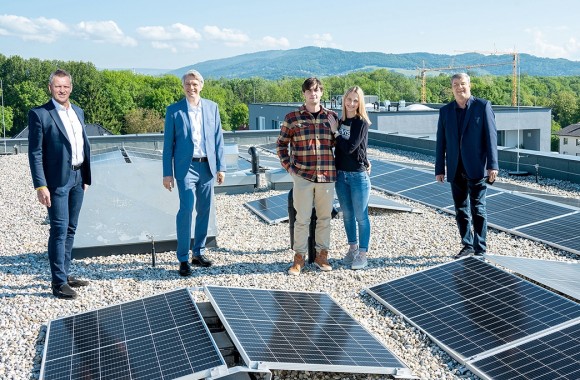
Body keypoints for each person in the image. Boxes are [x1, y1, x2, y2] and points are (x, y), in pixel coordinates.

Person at [28, 69, 92, 300]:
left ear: (71, 88)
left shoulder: (78, 112)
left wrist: (85, 176)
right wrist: (40, 186)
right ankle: (58, 283)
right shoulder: (40, 115)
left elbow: (82, 146)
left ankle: (65, 273)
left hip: (77, 179)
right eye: (57, 86)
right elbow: (34, 153)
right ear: (50, 88)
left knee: (71, 229)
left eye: (65, 86)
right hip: (56, 183)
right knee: (59, 230)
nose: (62, 90)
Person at [162, 69, 225, 276]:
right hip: (185, 167)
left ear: (201, 85)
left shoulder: (212, 108)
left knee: (205, 210)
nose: (191, 87)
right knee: (186, 209)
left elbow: (218, 140)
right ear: (183, 86)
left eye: (195, 84)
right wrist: (167, 173)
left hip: (207, 166)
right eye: (188, 84)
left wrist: (221, 167)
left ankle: (198, 252)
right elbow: (168, 145)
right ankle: (183, 258)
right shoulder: (174, 110)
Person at [277, 77, 338, 275]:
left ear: (321, 93)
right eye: (309, 90)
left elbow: (341, 145)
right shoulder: (292, 117)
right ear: (304, 93)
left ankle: (322, 256)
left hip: (326, 176)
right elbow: (281, 144)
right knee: (302, 219)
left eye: (317, 90)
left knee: (324, 219)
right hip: (302, 176)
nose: (313, 94)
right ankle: (299, 258)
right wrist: (289, 167)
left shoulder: (331, 117)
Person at [435, 73, 499, 259]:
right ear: (452, 87)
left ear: (469, 85)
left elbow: (491, 138)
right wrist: (440, 168)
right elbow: (441, 143)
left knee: (478, 209)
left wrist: (492, 165)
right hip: (455, 168)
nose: (459, 87)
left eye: (462, 84)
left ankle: (480, 248)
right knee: (460, 210)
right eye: (455, 84)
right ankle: (467, 245)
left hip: (476, 167)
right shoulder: (445, 111)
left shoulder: (483, 106)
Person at [330, 86, 372, 270]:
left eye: (356, 100)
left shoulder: (361, 122)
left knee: (361, 217)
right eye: (349, 99)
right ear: (344, 100)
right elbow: (352, 149)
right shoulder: (341, 121)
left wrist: (335, 132)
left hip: (357, 176)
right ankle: (352, 249)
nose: (352, 103)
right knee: (347, 216)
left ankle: (363, 255)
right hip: (341, 175)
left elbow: (350, 148)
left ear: (360, 103)